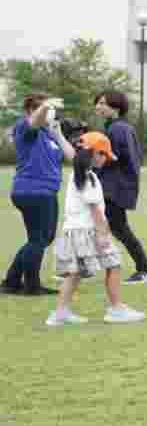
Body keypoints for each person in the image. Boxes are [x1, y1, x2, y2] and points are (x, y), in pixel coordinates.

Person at [45, 131, 147, 326]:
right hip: (88, 231)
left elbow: (74, 154)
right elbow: (95, 210)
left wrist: (59, 135)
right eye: (105, 155)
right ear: (95, 153)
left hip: (73, 231)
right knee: (114, 264)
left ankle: (60, 313)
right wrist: (103, 234)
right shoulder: (88, 177)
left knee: (75, 273)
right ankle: (116, 309)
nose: (106, 159)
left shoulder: (78, 172)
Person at [5, 95, 72, 296]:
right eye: (40, 109)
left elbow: (72, 157)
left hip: (46, 192)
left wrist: (59, 135)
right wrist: (45, 106)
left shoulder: (49, 133)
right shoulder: (25, 128)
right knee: (39, 239)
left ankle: (12, 281)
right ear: (29, 111)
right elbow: (34, 121)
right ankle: (31, 285)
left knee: (40, 238)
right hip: (32, 191)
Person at [93, 90, 147, 284]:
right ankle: (79, 267)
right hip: (114, 186)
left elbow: (114, 157)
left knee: (119, 229)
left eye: (103, 103)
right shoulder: (117, 127)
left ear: (116, 107)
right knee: (99, 227)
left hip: (114, 188)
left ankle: (144, 270)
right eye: (98, 103)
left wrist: (91, 153)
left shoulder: (118, 129)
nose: (98, 107)